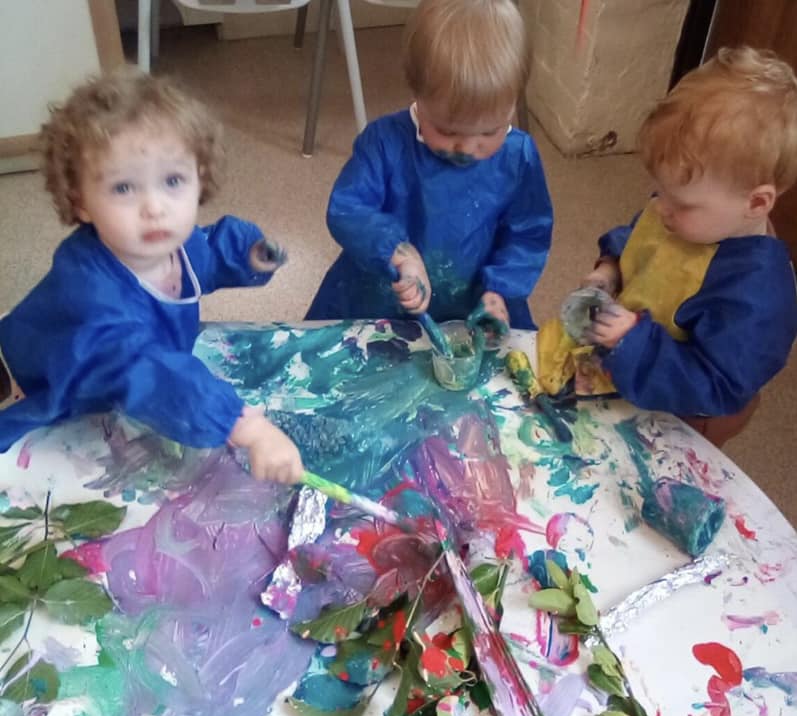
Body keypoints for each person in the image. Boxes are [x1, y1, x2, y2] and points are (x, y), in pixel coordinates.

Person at [0, 67, 303, 483]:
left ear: (200, 179)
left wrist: (247, 256)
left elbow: (209, 252)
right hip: (50, 386)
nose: (155, 207)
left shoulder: (171, 245)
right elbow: (144, 367)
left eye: (173, 181)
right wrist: (242, 425)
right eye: (124, 188)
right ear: (80, 202)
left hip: (128, 386)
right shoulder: (89, 288)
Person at [538, 46, 797, 447]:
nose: (659, 209)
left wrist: (632, 341)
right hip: (622, 359)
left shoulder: (759, 297)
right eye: (658, 191)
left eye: (680, 203)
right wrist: (610, 267)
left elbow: (717, 385)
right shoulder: (685, 212)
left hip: (684, 411)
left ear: (757, 203)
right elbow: (642, 237)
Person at [304, 0, 553, 331]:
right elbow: (347, 209)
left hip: (472, 305)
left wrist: (501, 291)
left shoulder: (517, 156)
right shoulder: (384, 142)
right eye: (448, 131)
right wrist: (398, 252)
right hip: (378, 300)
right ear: (417, 96)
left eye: (489, 131)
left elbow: (528, 234)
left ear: (514, 103)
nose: (467, 147)